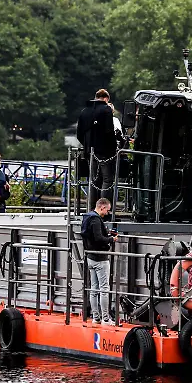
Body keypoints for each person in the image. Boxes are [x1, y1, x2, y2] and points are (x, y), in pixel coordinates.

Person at [76, 89, 118, 209]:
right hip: (105, 152)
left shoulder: (84, 111)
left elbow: (79, 134)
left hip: (90, 152)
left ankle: (92, 209)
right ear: (106, 99)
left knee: (94, 180)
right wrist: (113, 149)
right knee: (107, 180)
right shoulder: (106, 110)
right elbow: (109, 132)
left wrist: (87, 146)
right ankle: (104, 210)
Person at [81, 197, 118, 325]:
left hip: (90, 257)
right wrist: (111, 239)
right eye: (107, 210)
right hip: (100, 259)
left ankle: (95, 318)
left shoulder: (86, 217)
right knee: (104, 289)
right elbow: (98, 238)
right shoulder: (96, 219)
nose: (107, 213)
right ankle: (105, 318)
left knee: (94, 289)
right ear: (102, 207)